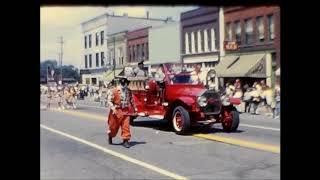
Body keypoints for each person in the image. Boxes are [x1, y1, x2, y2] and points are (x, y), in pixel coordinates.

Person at [107, 76, 137, 148]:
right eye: (123, 83)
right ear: (120, 83)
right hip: (116, 111)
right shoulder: (114, 90)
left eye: (125, 83)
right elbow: (109, 101)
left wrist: (134, 109)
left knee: (126, 126)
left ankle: (125, 140)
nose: (124, 85)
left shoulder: (128, 91)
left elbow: (131, 100)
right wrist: (113, 108)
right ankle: (110, 136)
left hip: (126, 111)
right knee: (113, 127)